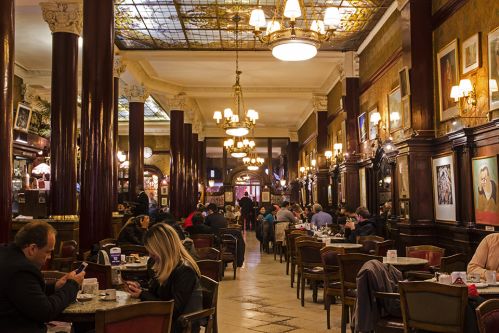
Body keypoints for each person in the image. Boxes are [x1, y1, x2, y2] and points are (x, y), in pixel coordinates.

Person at [0, 221, 85, 333]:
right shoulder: (20, 270)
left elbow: (27, 296)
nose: (49, 257)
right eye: (48, 252)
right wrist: (72, 285)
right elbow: (46, 311)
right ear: (32, 249)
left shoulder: (7, 253)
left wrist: (55, 287)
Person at [127, 223, 202, 333]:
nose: (150, 254)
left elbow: (173, 309)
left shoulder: (185, 270)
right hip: (165, 319)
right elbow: (158, 294)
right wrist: (141, 288)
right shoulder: (165, 264)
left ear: (163, 248)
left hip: (180, 325)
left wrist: (142, 294)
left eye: (152, 251)